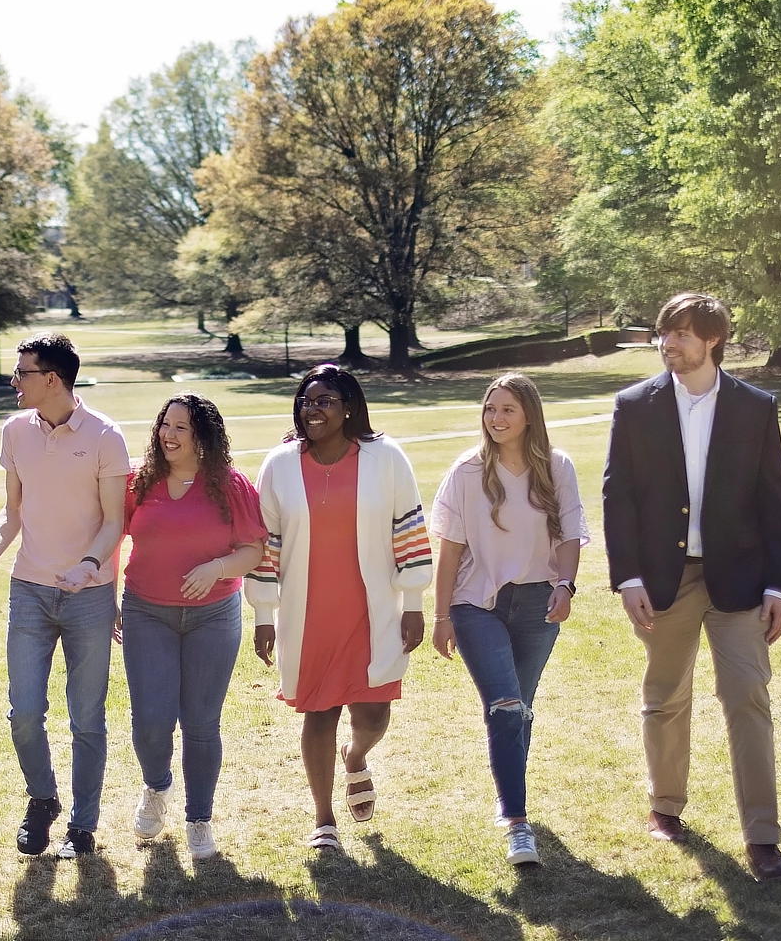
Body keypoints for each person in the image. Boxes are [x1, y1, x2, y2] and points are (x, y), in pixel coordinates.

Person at [603, 292, 781, 882]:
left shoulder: (755, 407)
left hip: (739, 578)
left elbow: (774, 500)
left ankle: (763, 839)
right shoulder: (634, 405)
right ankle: (666, 808)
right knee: (664, 697)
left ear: (712, 339)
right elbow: (620, 497)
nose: (670, 344)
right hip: (664, 579)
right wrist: (628, 577)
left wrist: (778, 587)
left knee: (748, 697)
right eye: (665, 333)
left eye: (683, 334)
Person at [247, 365, 431, 852]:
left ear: (349, 406)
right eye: (307, 401)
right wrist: (264, 614)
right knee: (319, 711)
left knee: (372, 712)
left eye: (326, 400)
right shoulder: (280, 464)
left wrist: (413, 602)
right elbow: (266, 543)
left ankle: (356, 757)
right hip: (307, 613)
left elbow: (408, 528)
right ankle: (324, 819)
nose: (314, 409)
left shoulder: (385, 457)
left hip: (372, 608)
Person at [0, 333, 132, 859]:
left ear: (51, 379)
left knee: (86, 717)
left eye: (22, 373)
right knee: (24, 713)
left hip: (89, 595)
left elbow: (114, 522)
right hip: (30, 590)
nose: (14, 381)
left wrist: (87, 567)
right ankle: (42, 798)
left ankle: (82, 826)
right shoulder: (15, 431)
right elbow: (12, 512)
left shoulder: (106, 436)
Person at [428, 373, 587, 867]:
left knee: (521, 707)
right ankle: (517, 821)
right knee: (504, 705)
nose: (495, 419)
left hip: (539, 603)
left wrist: (565, 585)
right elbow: (449, 551)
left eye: (506, 410)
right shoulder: (467, 472)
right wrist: (441, 615)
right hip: (477, 605)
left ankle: (510, 794)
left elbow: (569, 535)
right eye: (490, 409)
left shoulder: (557, 467)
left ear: (528, 417)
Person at [119, 393, 267, 861]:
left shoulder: (230, 486)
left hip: (213, 617)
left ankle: (199, 819)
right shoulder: (139, 483)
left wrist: (217, 568)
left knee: (202, 724)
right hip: (146, 612)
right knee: (151, 721)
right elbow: (109, 537)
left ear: (201, 435)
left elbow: (253, 550)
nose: (169, 434)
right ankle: (157, 787)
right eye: (165, 424)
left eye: (181, 427)